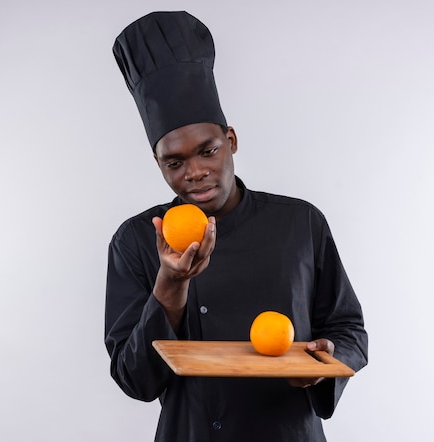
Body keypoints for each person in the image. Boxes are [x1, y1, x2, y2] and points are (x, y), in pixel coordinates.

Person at [105, 11, 368, 442]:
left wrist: (325, 365)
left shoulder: (300, 223)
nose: (194, 172)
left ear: (230, 140)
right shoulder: (135, 240)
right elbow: (134, 380)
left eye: (207, 151)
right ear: (158, 163)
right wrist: (169, 284)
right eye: (175, 162)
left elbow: (349, 329)